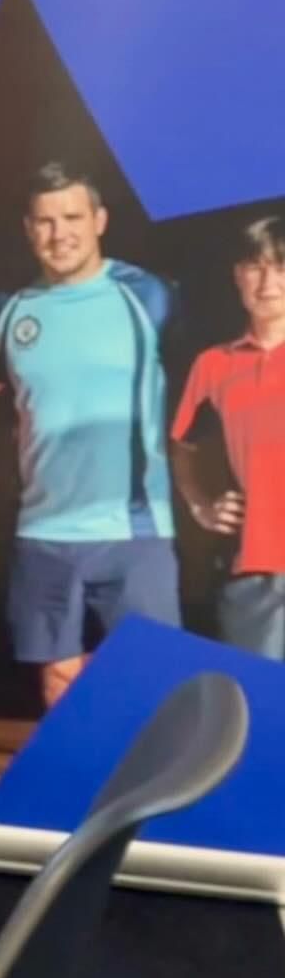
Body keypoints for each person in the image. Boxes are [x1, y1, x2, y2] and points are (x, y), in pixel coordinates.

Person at [0, 162, 182, 708]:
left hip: (135, 529)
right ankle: (72, 788)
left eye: (72, 217)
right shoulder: (11, 311)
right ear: (28, 229)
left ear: (99, 219)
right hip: (44, 532)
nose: (60, 234)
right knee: (58, 681)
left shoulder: (150, 297)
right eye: (45, 221)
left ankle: (146, 788)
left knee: (149, 679)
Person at [171, 215, 285, 658]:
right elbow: (182, 446)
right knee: (262, 711)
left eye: (281, 267)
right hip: (253, 568)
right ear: (238, 275)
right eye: (256, 267)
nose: (268, 282)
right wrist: (201, 504)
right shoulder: (214, 365)